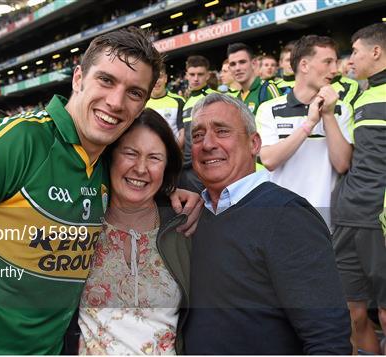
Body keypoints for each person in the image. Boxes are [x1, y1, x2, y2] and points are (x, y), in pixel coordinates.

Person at [0, 27, 201, 355]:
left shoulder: (107, 165)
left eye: (134, 93)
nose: (116, 101)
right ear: (78, 79)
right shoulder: (17, 141)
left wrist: (174, 193)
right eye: (106, 80)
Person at [0, 109, 192, 354]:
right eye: (130, 153)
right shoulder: (74, 222)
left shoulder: (185, 225)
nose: (141, 168)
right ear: (110, 157)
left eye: (155, 157)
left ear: (167, 165)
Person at [183, 93, 352, 354]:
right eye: (197, 135)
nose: (207, 144)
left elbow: (328, 337)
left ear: (254, 143)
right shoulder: (194, 214)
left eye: (222, 131)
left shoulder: (288, 215)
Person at [256, 35, 353, 228]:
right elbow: (269, 160)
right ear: (304, 65)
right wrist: (308, 125)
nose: (334, 70)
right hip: (282, 210)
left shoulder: (341, 108)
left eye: (335, 62)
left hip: (327, 215)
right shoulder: (269, 109)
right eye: (327, 62)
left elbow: (342, 164)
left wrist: (328, 115)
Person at [331, 23, 386, 355]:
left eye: (356, 51)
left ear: (376, 52)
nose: (351, 60)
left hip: (379, 221)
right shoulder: (361, 95)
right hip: (349, 218)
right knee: (352, 313)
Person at [180, 55, 217, 193]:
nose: (196, 78)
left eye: (200, 74)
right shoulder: (187, 102)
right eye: (192, 74)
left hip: (205, 166)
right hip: (188, 167)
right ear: (186, 76)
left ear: (207, 75)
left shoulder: (214, 98)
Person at [227, 42, 280, 115]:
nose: (237, 68)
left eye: (242, 62)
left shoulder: (268, 89)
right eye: (233, 64)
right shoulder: (236, 99)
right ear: (229, 69)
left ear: (253, 64)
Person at [145, 64, 185, 147]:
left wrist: (172, 153)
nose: (156, 80)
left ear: (165, 78)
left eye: (160, 76)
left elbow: (183, 132)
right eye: (153, 76)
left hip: (173, 154)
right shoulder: (141, 103)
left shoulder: (179, 101)